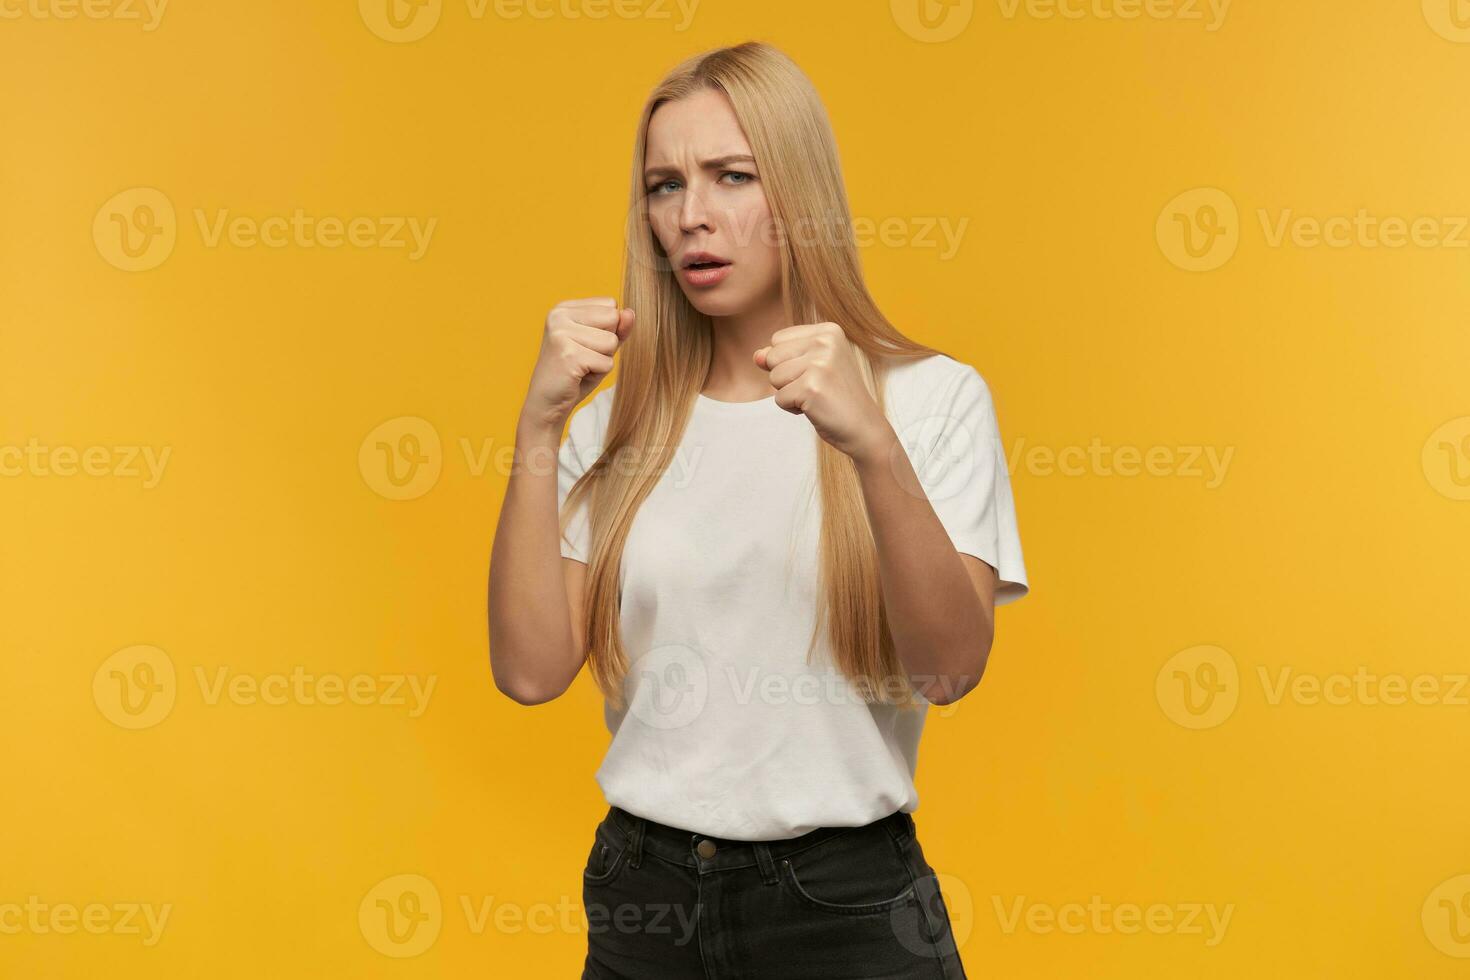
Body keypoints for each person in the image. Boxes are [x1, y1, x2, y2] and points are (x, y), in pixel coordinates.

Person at [487, 40, 1029, 979]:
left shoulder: (929, 399)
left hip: (843, 907)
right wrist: (538, 422)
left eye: (732, 176)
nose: (693, 217)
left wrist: (869, 445)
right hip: (643, 900)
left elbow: (949, 669)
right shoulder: (616, 421)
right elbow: (531, 672)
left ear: (798, 193)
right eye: (664, 185)